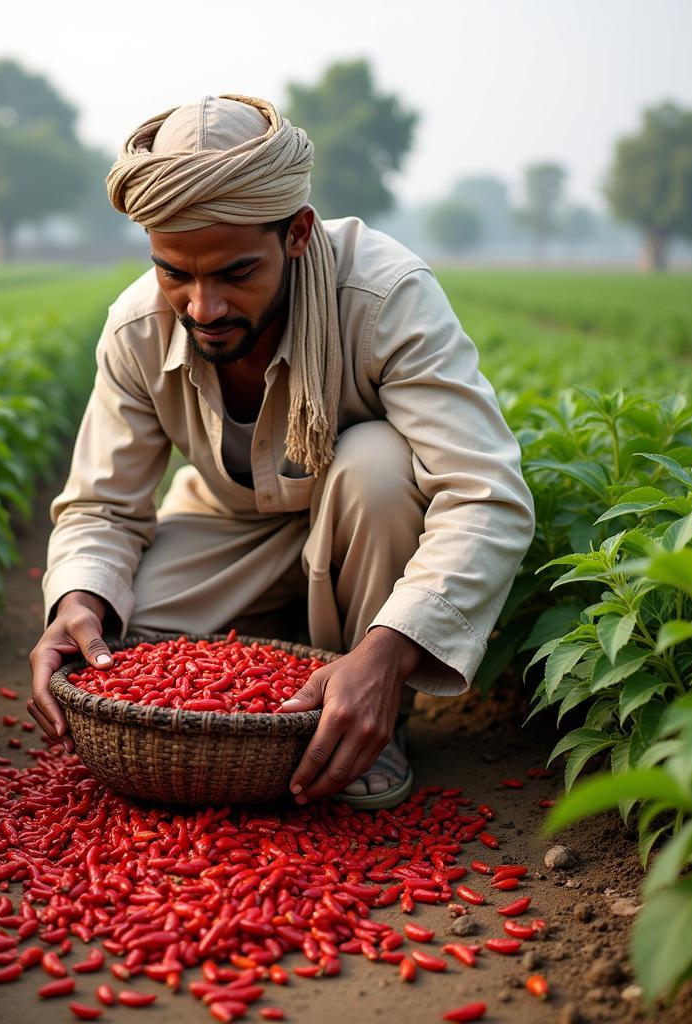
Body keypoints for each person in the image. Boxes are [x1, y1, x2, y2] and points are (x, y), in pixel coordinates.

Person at [28, 94, 534, 810]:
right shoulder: (136, 329)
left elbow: (487, 494)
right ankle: (304, 647)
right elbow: (101, 503)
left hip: (367, 524)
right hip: (231, 531)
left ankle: (367, 710)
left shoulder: (383, 295)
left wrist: (387, 653)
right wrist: (77, 597)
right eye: (175, 272)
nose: (203, 307)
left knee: (376, 465)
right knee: (123, 650)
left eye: (235, 274)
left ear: (296, 233)